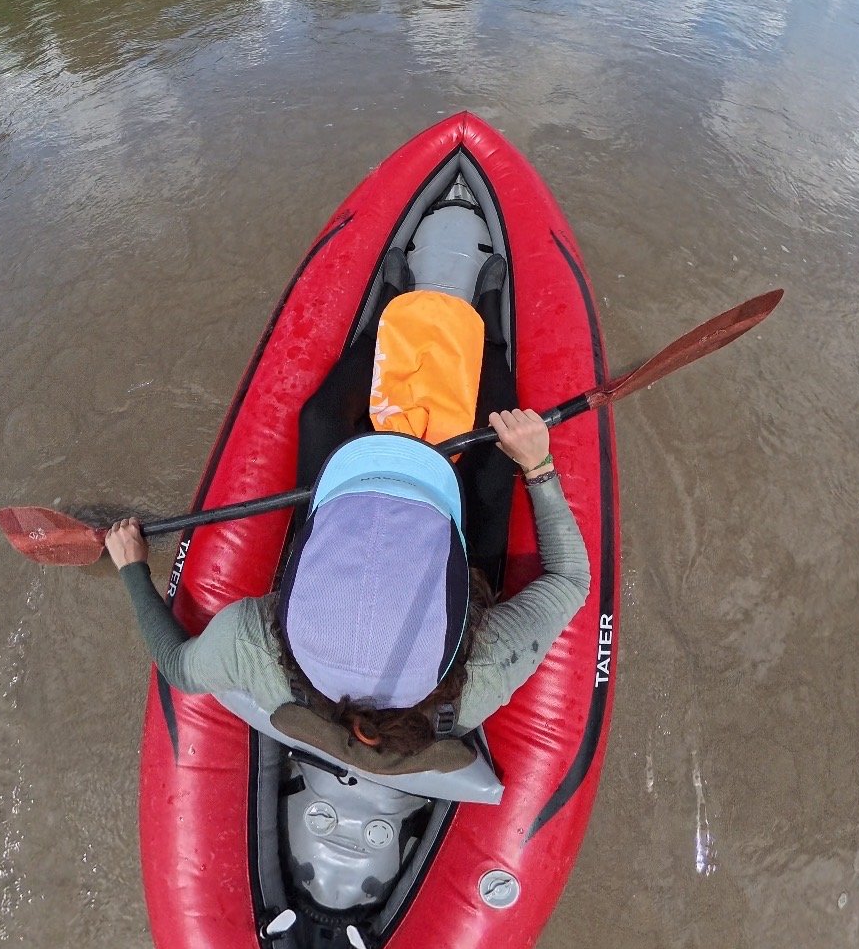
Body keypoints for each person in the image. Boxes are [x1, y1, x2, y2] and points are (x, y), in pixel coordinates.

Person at [108, 254, 591, 757]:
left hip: (343, 513)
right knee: (494, 450)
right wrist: (538, 466)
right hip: (461, 561)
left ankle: (381, 323)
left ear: (289, 610)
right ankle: (490, 331)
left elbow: (180, 668)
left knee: (319, 419)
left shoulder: (256, 646)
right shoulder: (486, 666)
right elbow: (571, 578)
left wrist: (132, 568)